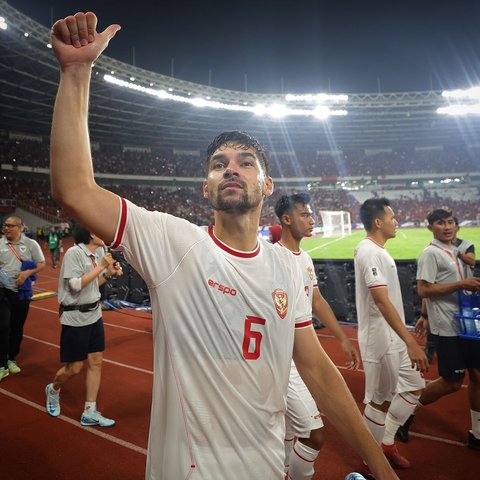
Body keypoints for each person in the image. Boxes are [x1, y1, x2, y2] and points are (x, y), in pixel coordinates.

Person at [49, 12, 398, 479]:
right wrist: (76, 73)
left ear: (267, 184)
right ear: (206, 187)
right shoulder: (173, 242)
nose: (231, 168)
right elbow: (73, 187)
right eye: (218, 163)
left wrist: (381, 466)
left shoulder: (289, 266)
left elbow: (315, 369)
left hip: (268, 467)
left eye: (245, 162)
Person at [275, 193, 361, 480]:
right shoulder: (274, 259)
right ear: (287, 219)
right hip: (284, 362)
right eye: (305, 214)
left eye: (311, 215)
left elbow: (317, 300)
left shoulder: (305, 258)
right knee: (315, 436)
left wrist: (343, 338)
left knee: (288, 431)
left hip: (302, 359)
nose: (312, 220)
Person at [354, 198, 428, 471]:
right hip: (380, 339)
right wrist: (411, 342)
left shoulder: (378, 251)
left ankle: (386, 442)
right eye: (392, 217)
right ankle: (371, 462)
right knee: (379, 401)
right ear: (378, 222)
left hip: (394, 336)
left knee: (413, 386)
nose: (395, 221)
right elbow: (381, 301)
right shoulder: (369, 252)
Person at [400, 209, 480, 451]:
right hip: (447, 327)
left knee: (477, 376)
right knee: (452, 382)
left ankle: (477, 434)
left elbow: (470, 258)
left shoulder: (462, 248)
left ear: (456, 225)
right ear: (430, 228)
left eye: (450, 222)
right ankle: (403, 412)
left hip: (469, 324)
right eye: (440, 223)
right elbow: (424, 290)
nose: (446, 226)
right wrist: (460, 284)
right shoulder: (430, 254)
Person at [45, 224, 122, 426]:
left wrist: (108, 274)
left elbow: (94, 284)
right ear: (92, 234)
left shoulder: (97, 254)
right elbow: (76, 285)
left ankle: (90, 411)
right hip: (75, 317)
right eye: (101, 231)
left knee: (96, 362)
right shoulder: (73, 253)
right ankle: (53, 389)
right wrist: (101, 267)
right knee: (75, 367)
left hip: (94, 314)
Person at [0, 216, 45, 381]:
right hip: (3, 292)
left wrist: (27, 273)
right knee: (3, 327)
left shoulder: (31, 244)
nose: (6, 228)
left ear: (20, 227)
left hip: (21, 293)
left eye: (10, 226)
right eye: (5, 225)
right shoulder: (0, 244)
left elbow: (41, 263)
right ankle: (2, 364)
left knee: (16, 328)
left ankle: (11, 358)